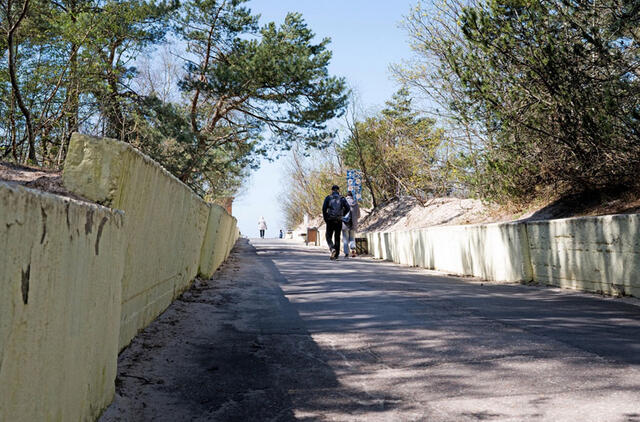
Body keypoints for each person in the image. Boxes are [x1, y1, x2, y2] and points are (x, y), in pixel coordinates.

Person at [322, 185, 350, 260]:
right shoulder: (342, 198)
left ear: (332, 190)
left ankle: (332, 248)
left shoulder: (328, 198)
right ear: (338, 190)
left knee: (328, 236)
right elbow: (348, 208)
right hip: (339, 219)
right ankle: (336, 255)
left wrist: (326, 218)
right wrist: (342, 214)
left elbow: (324, 209)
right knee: (337, 237)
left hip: (330, 219)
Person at [341, 190, 360, 258]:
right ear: (352, 196)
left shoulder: (343, 202)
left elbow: (340, 212)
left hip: (344, 223)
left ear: (346, 195)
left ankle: (346, 253)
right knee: (352, 238)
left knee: (345, 239)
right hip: (353, 223)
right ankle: (353, 249)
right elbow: (358, 215)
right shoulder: (355, 203)